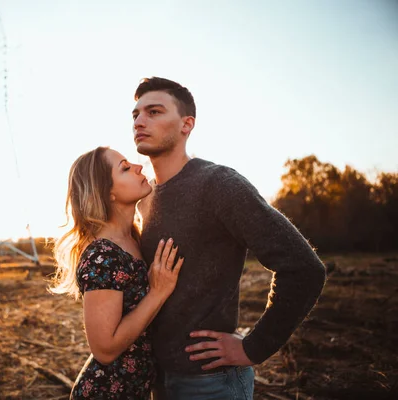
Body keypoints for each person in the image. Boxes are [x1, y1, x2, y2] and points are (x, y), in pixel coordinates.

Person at [131, 77, 327, 399]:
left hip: (210, 384)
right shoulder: (146, 199)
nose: (139, 121)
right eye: (136, 114)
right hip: (160, 379)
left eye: (153, 112)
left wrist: (253, 348)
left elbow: (304, 267)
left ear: (186, 124)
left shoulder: (218, 184)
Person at [50, 146, 185, 399]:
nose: (138, 167)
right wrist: (157, 293)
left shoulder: (134, 237)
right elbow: (105, 349)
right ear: (107, 192)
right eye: (125, 168)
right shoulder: (102, 256)